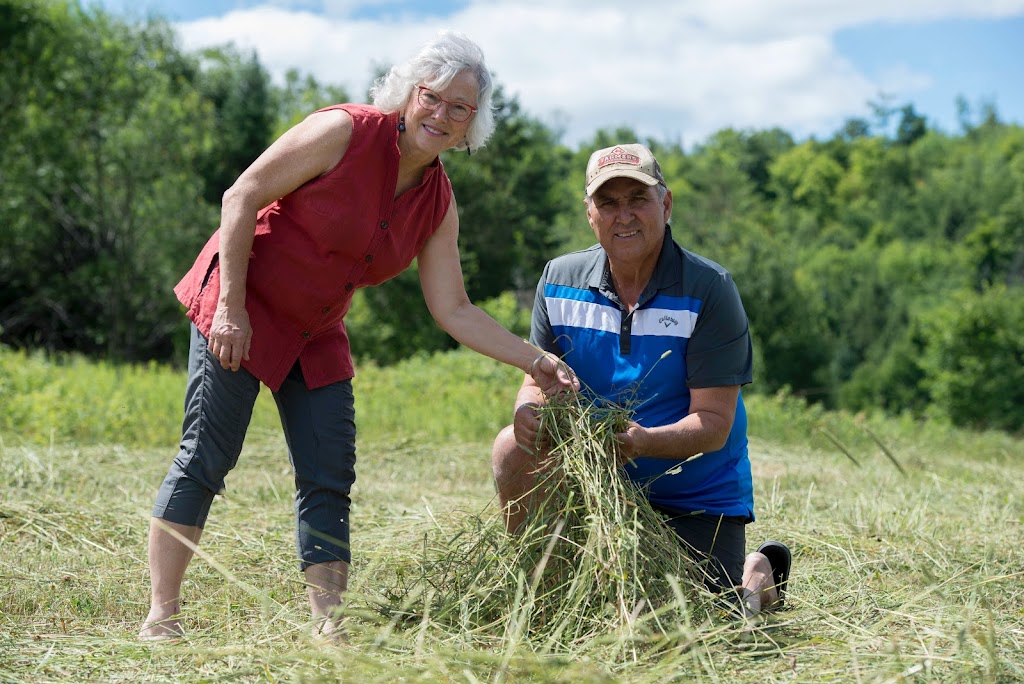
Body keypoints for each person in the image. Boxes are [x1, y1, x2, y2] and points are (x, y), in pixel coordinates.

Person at [139, 31, 576, 641]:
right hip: (245, 300)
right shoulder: (344, 131)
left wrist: (537, 361)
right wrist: (230, 311)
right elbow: (241, 196)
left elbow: (454, 309)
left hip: (316, 329)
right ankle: (163, 614)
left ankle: (328, 627)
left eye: (460, 108)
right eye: (433, 97)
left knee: (329, 470)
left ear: (473, 124)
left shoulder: (439, 202)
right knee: (207, 455)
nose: (442, 114)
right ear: (410, 93)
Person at [490, 143, 791, 618]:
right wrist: (528, 407)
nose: (623, 215)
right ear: (590, 213)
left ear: (666, 205)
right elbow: (538, 380)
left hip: (693, 497)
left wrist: (644, 442)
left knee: (692, 626)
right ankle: (537, 594)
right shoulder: (559, 279)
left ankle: (755, 576)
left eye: (638, 199)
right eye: (608, 202)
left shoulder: (709, 289)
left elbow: (713, 423)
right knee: (510, 445)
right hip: (594, 490)